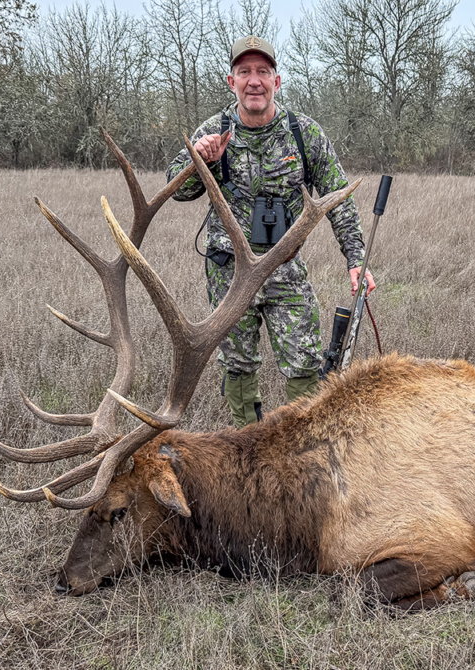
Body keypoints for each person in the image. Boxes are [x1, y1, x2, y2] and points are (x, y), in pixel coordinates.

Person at [165, 35, 375, 429]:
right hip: (230, 275)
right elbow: (176, 189)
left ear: (277, 82)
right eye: (245, 72)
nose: (254, 81)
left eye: (263, 71)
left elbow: (339, 199)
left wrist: (355, 259)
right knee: (238, 364)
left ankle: (304, 449)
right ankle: (249, 454)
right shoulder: (213, 131)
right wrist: (202, 161)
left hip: (285, 270)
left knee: (304, 363)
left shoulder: (304, 134)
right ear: (232, 82)